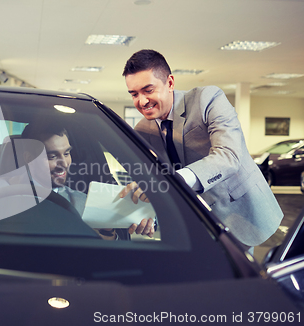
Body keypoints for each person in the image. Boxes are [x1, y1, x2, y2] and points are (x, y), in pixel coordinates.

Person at [120, 49, 283, 247]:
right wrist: (149, 215)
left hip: (244, 215)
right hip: (195, 228)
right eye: (134, 94)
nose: (142, 101)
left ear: (170, 83)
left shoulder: (208, 98)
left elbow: (228, 156)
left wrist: (173, 181)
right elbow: (155, 184)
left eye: (148, 90)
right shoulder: (142, 131)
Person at [15, 123, 155, 240]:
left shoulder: (82, 202)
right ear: (29, 158)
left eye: (67, 153)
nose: (64, 163)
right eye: (52, 156)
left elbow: (105, 251)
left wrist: (143, 215)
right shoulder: (0, 193)